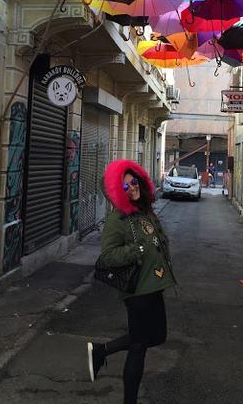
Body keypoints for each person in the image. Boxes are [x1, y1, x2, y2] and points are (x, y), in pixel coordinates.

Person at [87, 159, 176, 404]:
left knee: (156, 337)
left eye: (133, 182)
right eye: (125, 187)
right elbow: (107, 256)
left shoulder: (144, 209)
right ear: (118, 191)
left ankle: (102, 351)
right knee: (139, 346)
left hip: (154, 285)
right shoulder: (118, 219)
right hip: (138, 291)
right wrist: (136, 249)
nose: (132, 188)